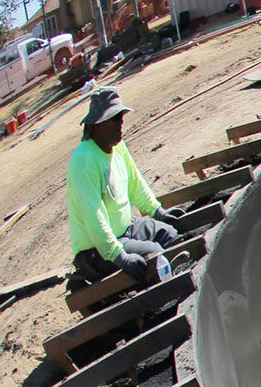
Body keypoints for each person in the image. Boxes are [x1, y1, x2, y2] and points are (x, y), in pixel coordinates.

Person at [66, 87, 183, 285]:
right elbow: (94, 217)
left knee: (171, 235)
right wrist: (119, 256)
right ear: (99, 125)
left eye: (121, 118)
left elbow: (135, 183)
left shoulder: (118, 146)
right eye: (115, 119)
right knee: (156, 256)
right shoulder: (84, 161)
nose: (121, 124)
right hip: (97, 251)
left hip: (127, 230)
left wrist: (157, 212)